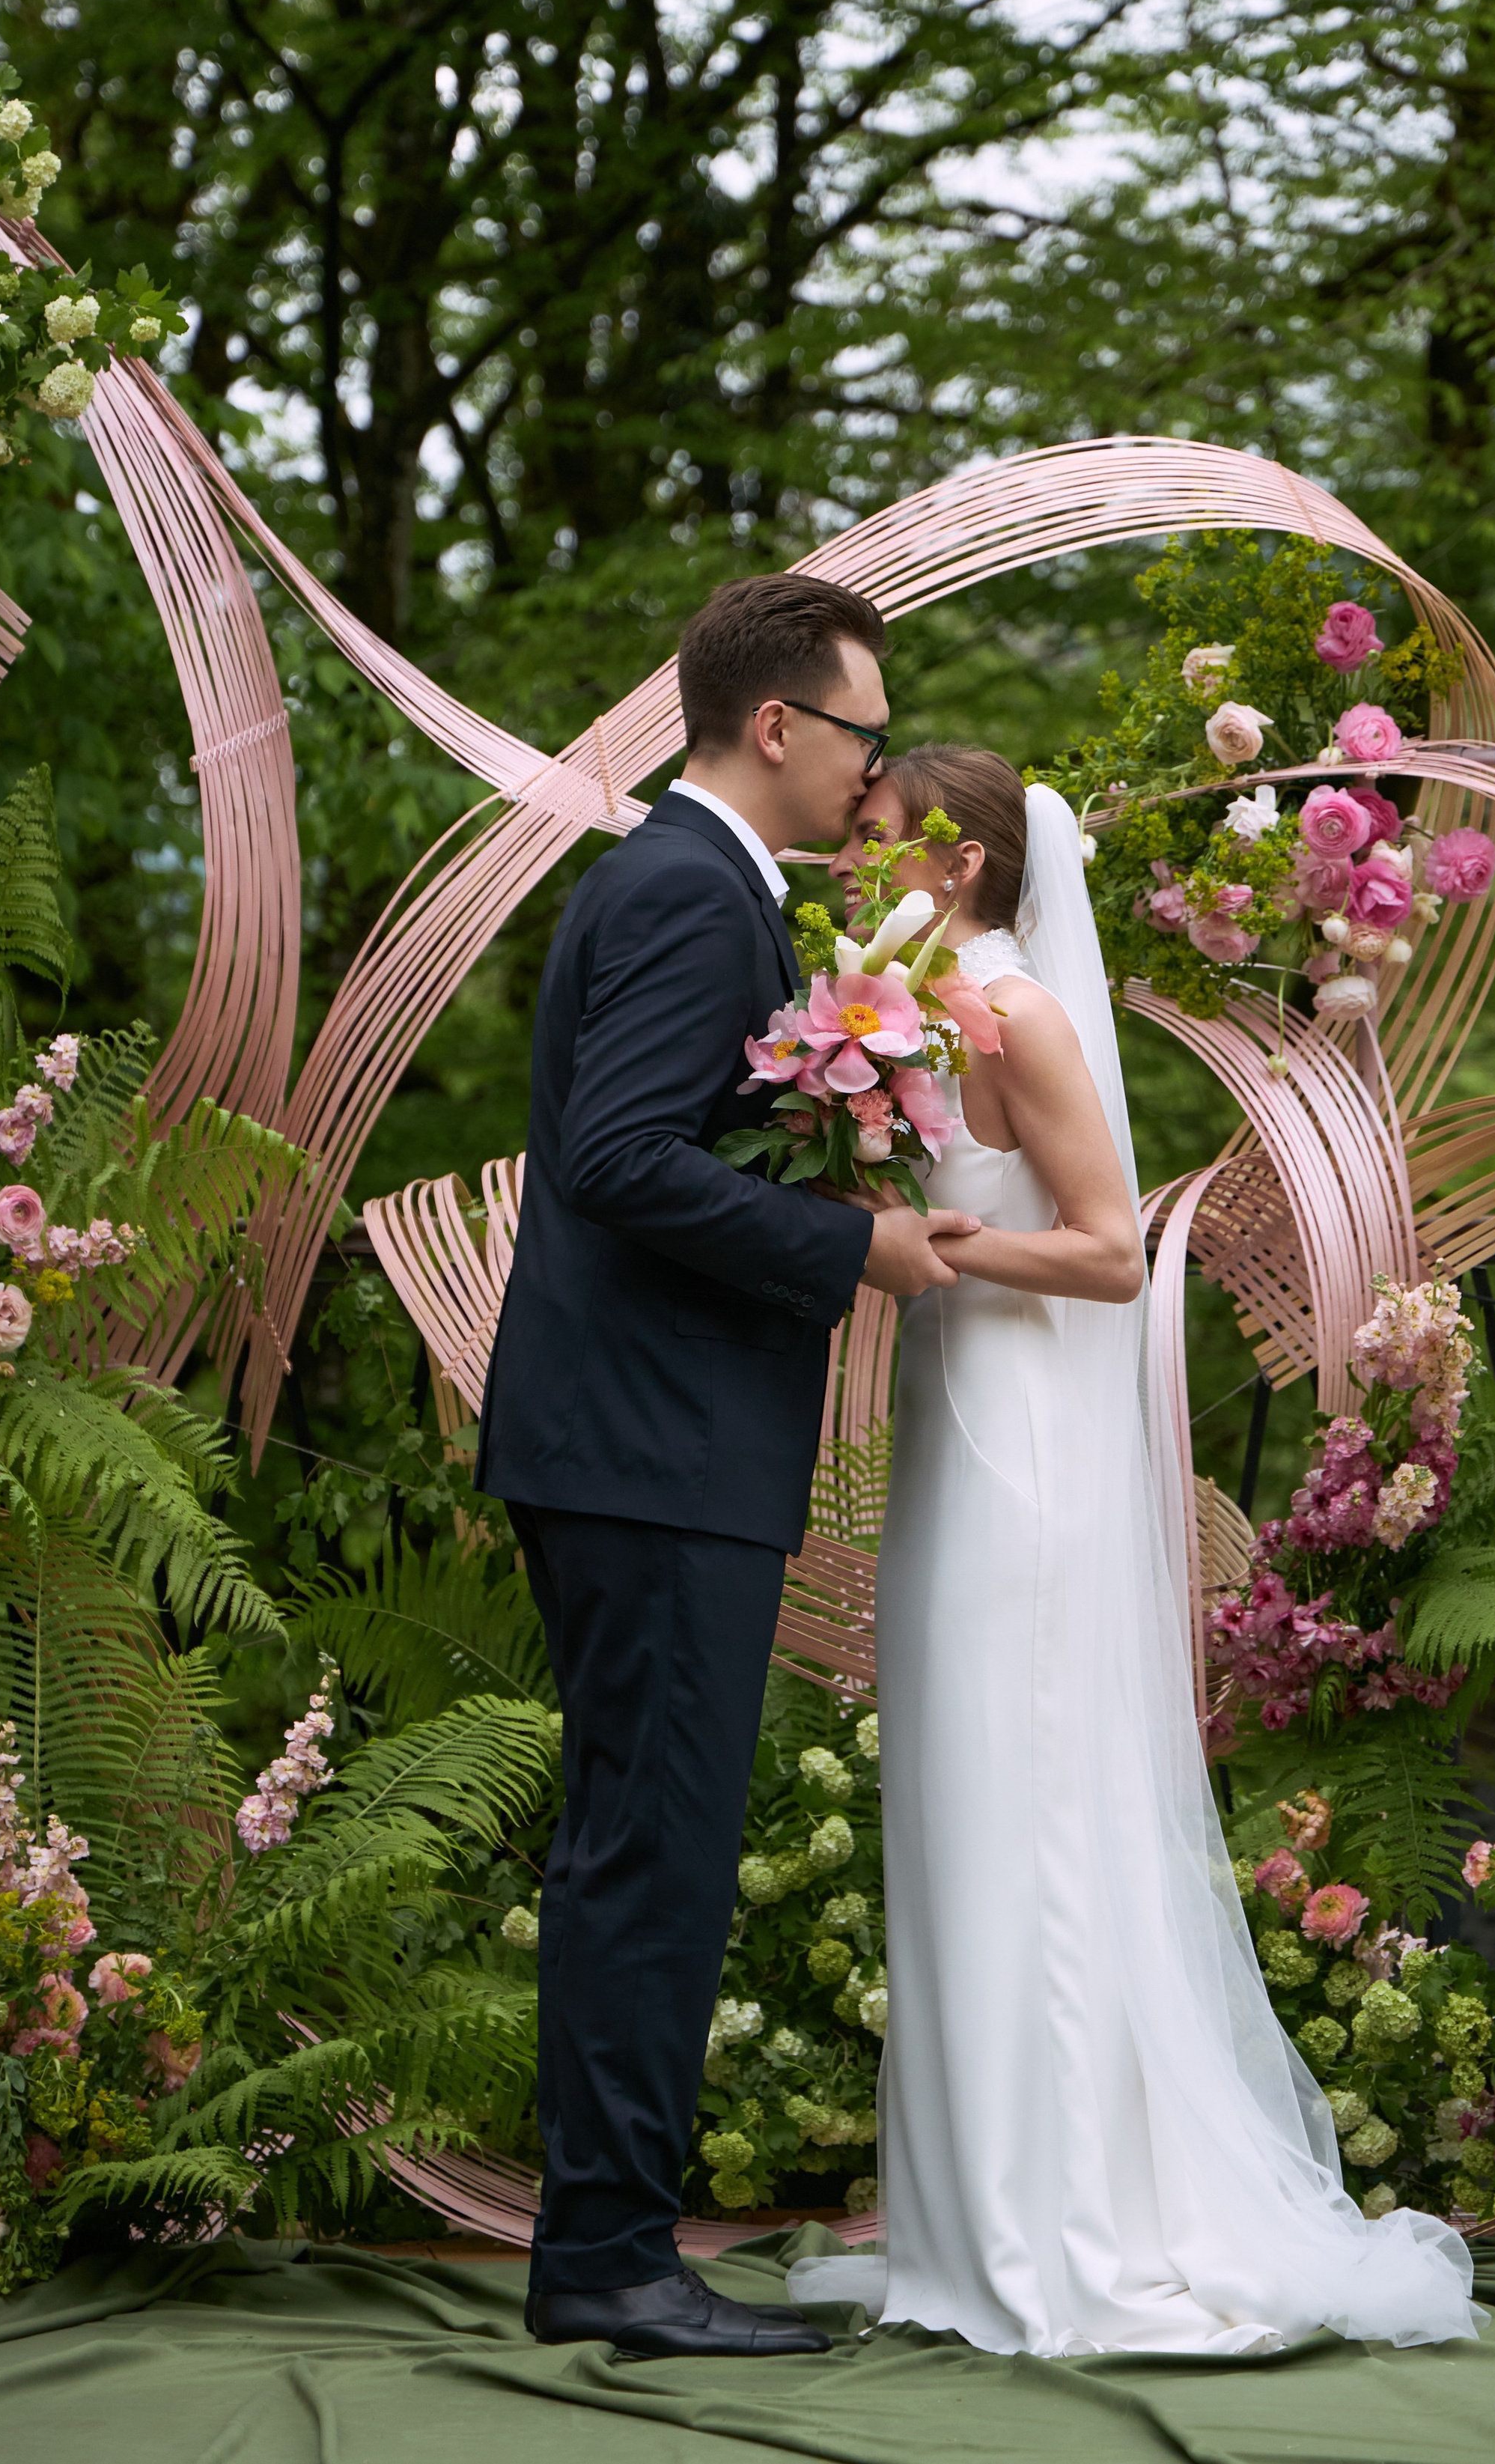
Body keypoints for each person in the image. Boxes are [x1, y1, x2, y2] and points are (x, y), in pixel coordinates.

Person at [790, 744, 1482, 2357]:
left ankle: (1066, 2226)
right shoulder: (911, 1010)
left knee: (1023, 1790)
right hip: (956, 1432)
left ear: (953, 864)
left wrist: (928, 1251)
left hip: (1024, 1438)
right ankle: (970, 2223)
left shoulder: (1016, 1010)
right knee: (962, 1797)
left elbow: (1107, 1250)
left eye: (874, 836)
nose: (849, 859)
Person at [476, 580, 981, 2360]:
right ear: (776, 726)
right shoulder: (694, 895)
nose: (870, 776)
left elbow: (654, 1142)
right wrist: (851, 1251)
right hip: (650, 1442)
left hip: (635, 1439)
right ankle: (611, 2259)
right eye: (860, 734)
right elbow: (614, 1156)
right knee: (653, 1857)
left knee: (643, 1844)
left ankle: (604, 2243)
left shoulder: (687, 886)